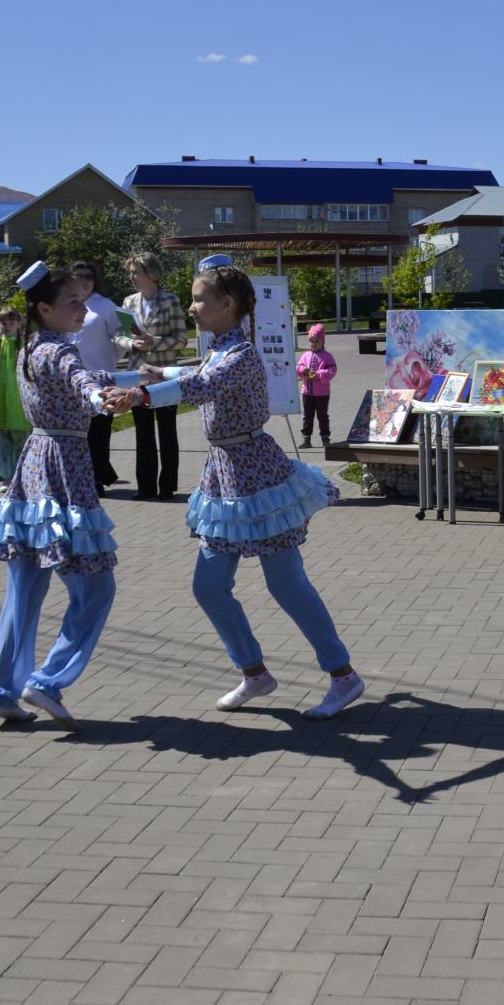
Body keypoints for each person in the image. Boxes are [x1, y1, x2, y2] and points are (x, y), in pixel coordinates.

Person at [124, 260, 364, 719]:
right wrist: (160, 375)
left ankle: (343, 675)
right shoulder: (219, 349)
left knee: (287, 585)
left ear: (226, 304)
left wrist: (143, 394)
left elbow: (203, 385)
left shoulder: (242, 354)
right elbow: (197, 374)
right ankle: (254, 673)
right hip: (223, 474)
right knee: (209, 587)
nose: (192, 308)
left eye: (199, 300)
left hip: (256, 475)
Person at [0, 262, 125, 729]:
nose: (82, 309)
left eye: (84, 301)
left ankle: (2, 690)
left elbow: (85, 379)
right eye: (73, 303)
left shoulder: (29, 347)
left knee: (23, 590)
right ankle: (46, 682)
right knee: (95, 586)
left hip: (34, 465)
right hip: (64, 468)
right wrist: (101, 397)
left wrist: (131, 379)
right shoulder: (58, 351)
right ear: (44, 308)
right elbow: (82, 382)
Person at [118, 253, 187, 499]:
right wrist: (132, 343)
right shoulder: (128, 302)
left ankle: (167, 486)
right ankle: (145, 487)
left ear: (151, 273)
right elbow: (118, 335)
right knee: (142, 432)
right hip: (138, 376)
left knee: (167, 432)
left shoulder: (170, 300)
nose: (132, 277)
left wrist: (154, 342)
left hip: (164, 378)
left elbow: (181, 339)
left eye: (135, 272)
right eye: (131, 272)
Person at [68, 261, 124, 492]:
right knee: (79, 433)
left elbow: (120, 336)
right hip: (72, 380)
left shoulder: (105, 305)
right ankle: (81, 477)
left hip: (101, 379)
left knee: (99, 431)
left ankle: (98, 479)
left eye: (89, 276)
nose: (85, 280)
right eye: (79, 276)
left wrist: (111, 360)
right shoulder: (66, 304)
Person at [0, 308, 32, 491]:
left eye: (12, 323)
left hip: (18, 400)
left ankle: (24, 475)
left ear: (18, 324)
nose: (8, 327)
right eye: (4, 323)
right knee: (3, 439)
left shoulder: (25, 346)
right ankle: (7, 476)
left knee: (22, 439)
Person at [296, 324, 337, 449]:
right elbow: (298, 368)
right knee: (307, 416)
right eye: (311, 341)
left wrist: (318, 375)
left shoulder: (327, 356)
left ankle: (325, 438)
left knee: (322, 416)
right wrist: (303, 370)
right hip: (307, 392)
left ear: (322, 341)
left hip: (322, 393)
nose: (313, 343)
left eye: (316, 341)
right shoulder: (305, 355)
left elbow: (332, 370)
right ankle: (306, 439)